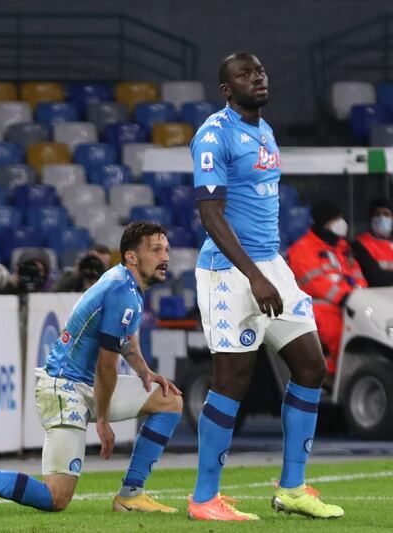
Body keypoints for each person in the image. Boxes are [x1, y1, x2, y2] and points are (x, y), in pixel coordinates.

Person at [0, 221, 183, 516]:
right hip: (64, 388)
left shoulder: (128, 286)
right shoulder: (121, 291)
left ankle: (131, 495)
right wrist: (102, 420)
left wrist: (143, 372)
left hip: (84, 384)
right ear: (131, 256)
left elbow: (125, 340)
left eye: (166, 249)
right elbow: (106, 365)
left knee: (168, 400)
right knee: (55, 498)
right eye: (156, 250)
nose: (165, 257)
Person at [187, 52, 343, 521]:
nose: (256, 77)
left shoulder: (265, 131)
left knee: (311, 365)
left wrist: (268, 270)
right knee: (232, 379)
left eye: (259, 71)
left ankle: (292, 488)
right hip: (228, 271)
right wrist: (253, 276)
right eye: (243, 74)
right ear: (226, 89)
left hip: (270, 264)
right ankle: (203, 499)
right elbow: (210, 214)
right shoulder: (213, 134)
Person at [288, 201, 367, 375]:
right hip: (316, 307)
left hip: (349, 304)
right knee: (340, 334)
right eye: (336, 219)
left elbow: (357, 275)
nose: (341, 223)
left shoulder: (342, 247)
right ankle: (333, 377)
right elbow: (316, 284)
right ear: (324, 223)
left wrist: (360, 298)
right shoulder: (302, 249)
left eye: (341, 218)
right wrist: (347, 298)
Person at [352, 197, 393, 287]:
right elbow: (374, 278)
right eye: (377, 214)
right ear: (371, 218)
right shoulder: (360, 244)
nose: (382, 218)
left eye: (386, 214)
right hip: (376, 295)